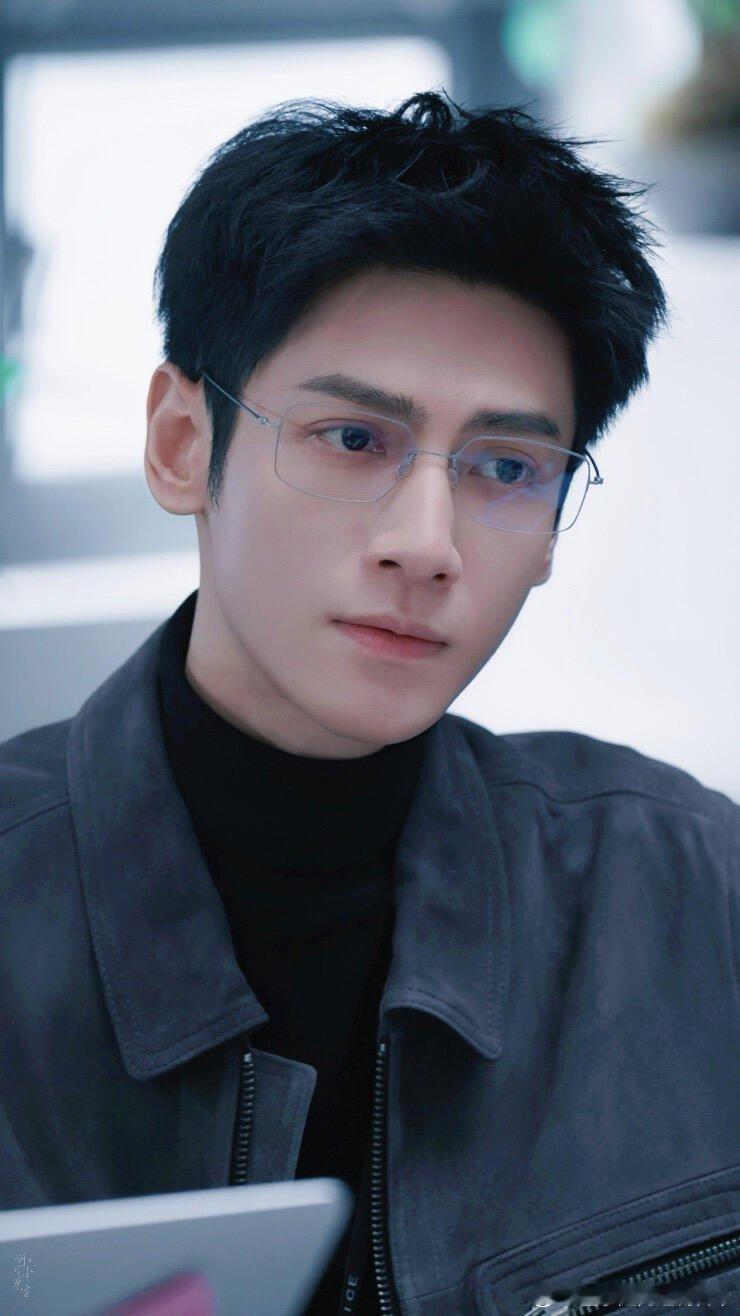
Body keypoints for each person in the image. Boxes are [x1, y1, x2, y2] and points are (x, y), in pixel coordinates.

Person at [1, 90, 738, 1316]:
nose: (426, 542)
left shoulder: (685, 887)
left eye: (505, 467)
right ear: (182, 442)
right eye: (352, 439)